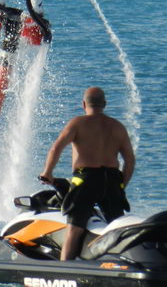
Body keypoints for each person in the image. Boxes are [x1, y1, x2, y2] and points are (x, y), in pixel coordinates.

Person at [39, 86, 136, 260]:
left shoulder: (77, 123)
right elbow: (130, 160)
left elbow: (56, 148)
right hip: (112, 179)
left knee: (74, 228)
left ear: (84, 104)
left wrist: (47, 173)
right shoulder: (117, 126)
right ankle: (123, 262)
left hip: (87, 179)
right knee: (116, 226)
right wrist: (121, 186)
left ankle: (65, 270)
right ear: (104, 104)